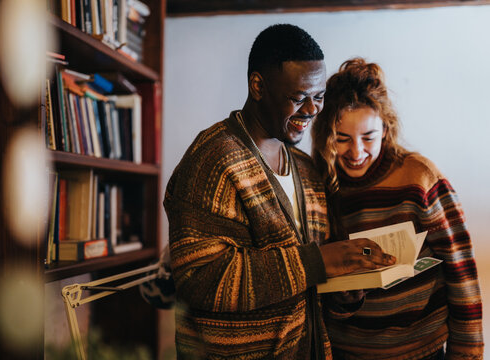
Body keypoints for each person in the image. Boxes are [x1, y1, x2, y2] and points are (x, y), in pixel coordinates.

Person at [163, 25, 395, 360]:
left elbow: (311, 286)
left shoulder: (307, 169)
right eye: (299, 98)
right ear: (258, 85)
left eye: (319, 98)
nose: (313, 110)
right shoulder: (212, 160)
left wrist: (344, 295)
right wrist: (320, 261)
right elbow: (198, 280)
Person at [311, 58, 484, 359]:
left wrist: (467, 351)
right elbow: (320, 291)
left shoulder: (419, 177)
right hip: (349, 350)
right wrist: (343, 299)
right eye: (342, 139)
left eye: (368, 137)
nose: (356, 152)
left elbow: (461, 269)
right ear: (326, 134)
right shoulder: (319, 184)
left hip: (422, 349)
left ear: (386, 130)